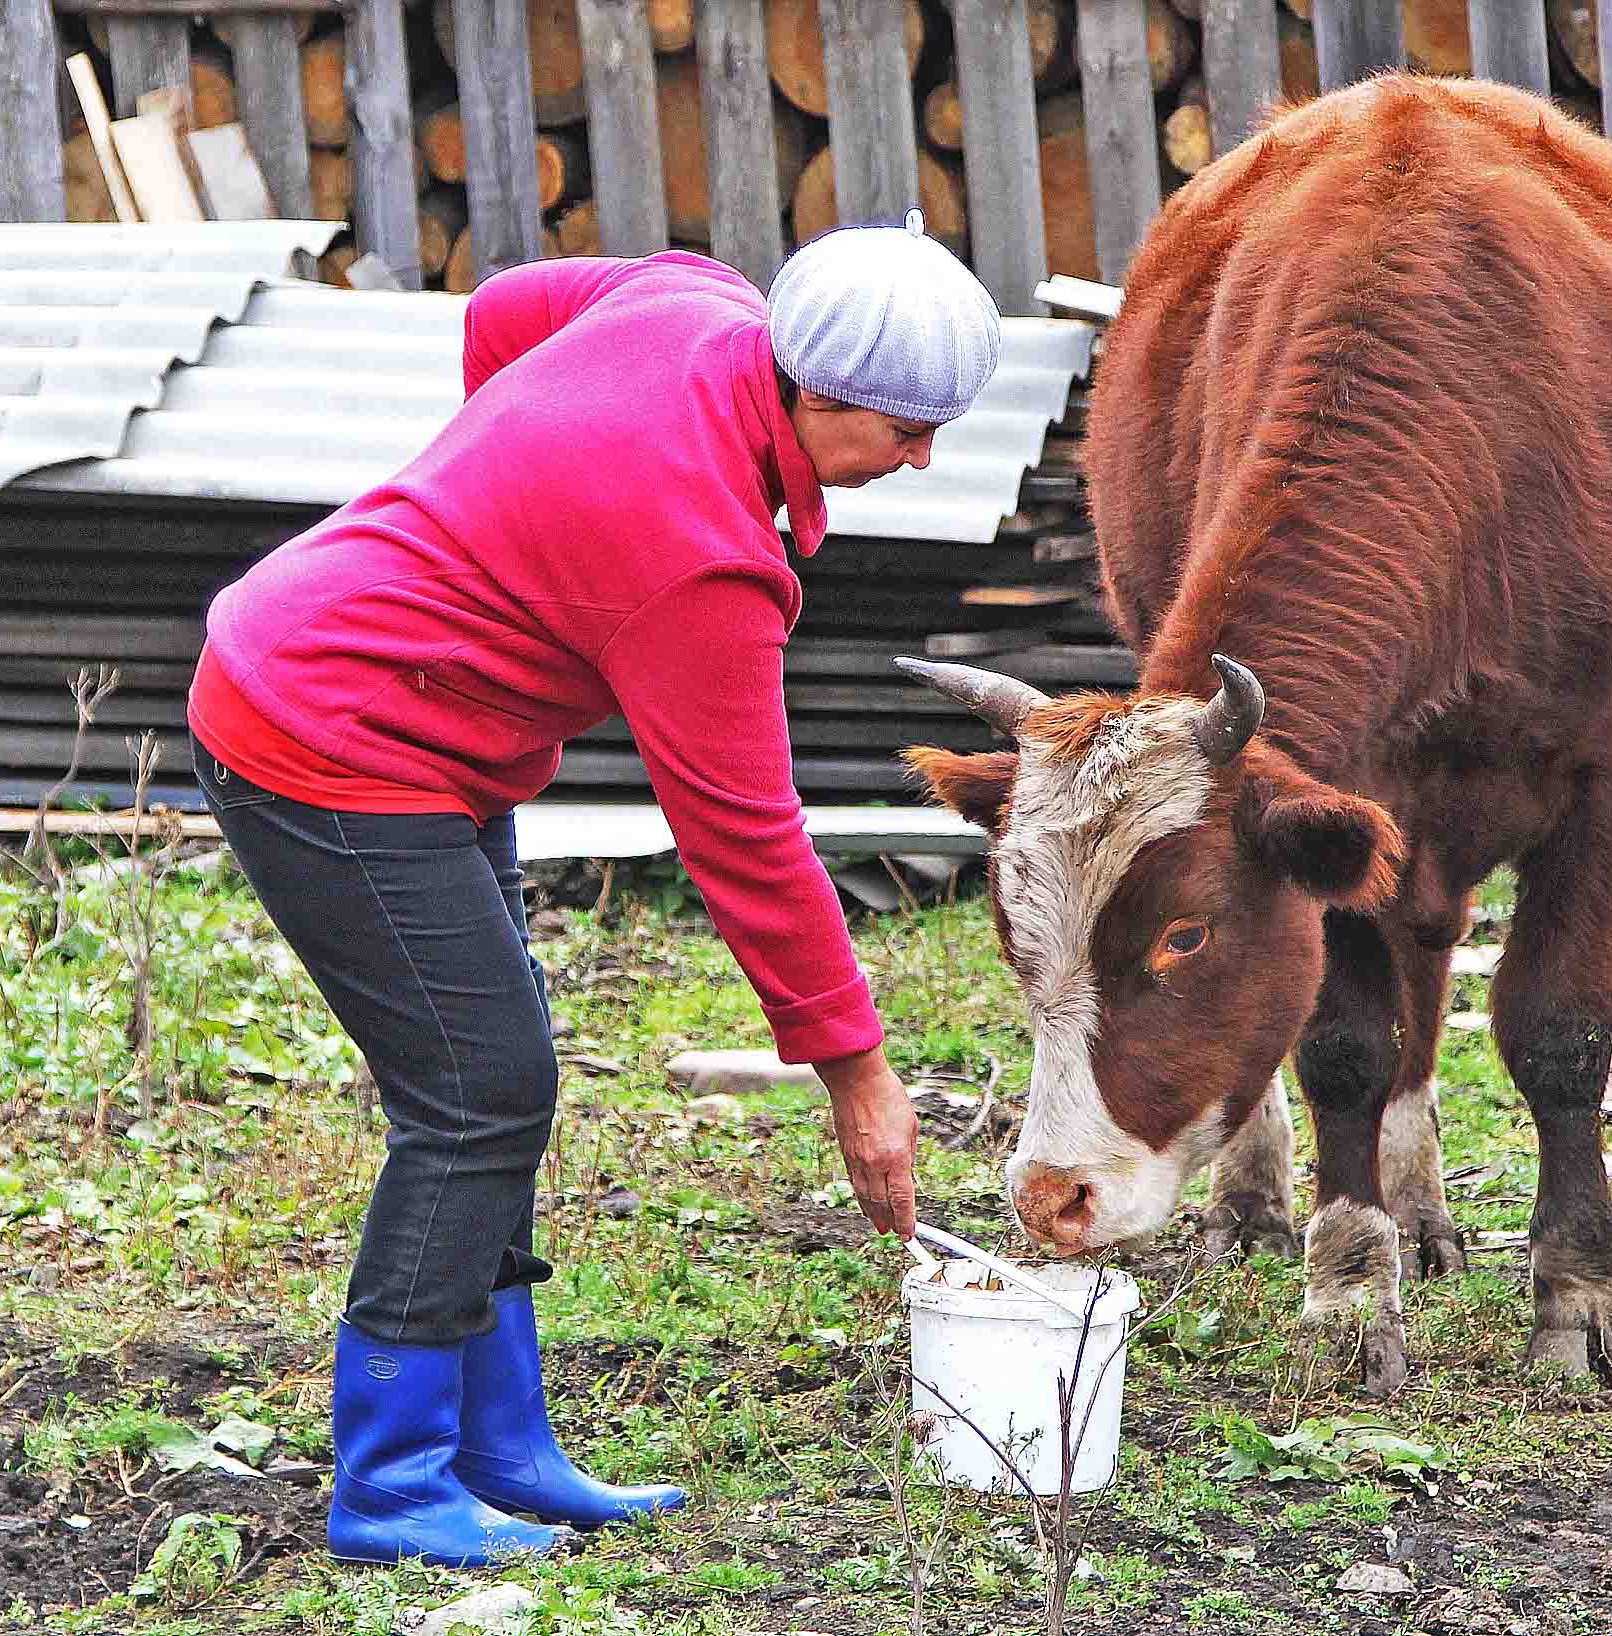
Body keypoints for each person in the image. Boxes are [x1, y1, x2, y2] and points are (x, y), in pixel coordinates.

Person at [185, 210, 1002, 1567]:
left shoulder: (687, 300)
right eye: (906, 431)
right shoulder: (694, 561)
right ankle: (389, 1487)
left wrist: (508, 526)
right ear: (811, 390)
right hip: (323, 736)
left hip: (432, 735)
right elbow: (744, 836)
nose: (922, 459)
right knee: (479, 1094)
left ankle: (500, 1447)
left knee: (487, 1080)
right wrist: (859, 1073)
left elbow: (501, 311)